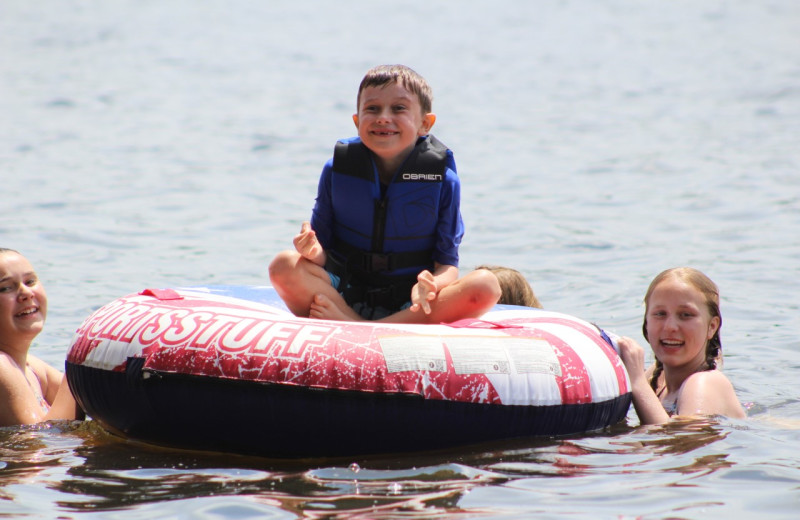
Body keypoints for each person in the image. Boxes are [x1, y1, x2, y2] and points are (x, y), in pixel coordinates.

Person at [269, 64, 500, 322]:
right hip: (345, 290)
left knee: (485, 286)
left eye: (399, 108)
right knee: (283, 266)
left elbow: (447, 266)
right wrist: (312, 251)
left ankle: (362, 325)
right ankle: (357, 319)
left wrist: (432, 284)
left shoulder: (444, 181)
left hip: (411, 298)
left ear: (425, 123)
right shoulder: (336, 170)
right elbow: (323, 256)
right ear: (357, 122)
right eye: (372, 109)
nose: (383, 118)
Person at [616, 267, 746, 425]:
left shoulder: (705, 383)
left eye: (686, 315)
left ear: (712, 326)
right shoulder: (657, 377)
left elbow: (681, 442)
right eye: (660, 314)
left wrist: (637, 383)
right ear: (646, 322)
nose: (670, 326)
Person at [0, 248, 83, 427]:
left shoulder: (33, 368)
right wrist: (80, 360)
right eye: (5, 288)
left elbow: (84, 397)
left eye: (30, 281)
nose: (26, 293)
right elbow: (39, 441)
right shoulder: (1, 367)